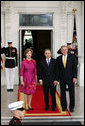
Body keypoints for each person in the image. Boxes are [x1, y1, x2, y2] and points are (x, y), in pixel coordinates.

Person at [56, 45, 77, 112]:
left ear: (68, 50)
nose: (64, 51)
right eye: (63, 50)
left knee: (71, 93)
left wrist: (75, 77)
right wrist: (57, 78)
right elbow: (57, 69)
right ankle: (64, 107)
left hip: (70, 77)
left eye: (65, 49)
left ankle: (71, 107)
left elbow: (74, 68)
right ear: (61, 51)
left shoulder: (72, 57)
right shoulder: (58, 58)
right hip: (62, 78)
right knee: (62, 93)